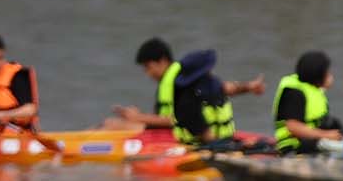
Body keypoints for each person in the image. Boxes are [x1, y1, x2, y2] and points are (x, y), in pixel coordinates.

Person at [107, 39, 264, 143]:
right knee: (122, 123)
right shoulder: (197, 77)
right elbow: (225, 88)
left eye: (148, 67)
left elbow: (173, 120)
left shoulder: (176, 81)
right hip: (216, 137)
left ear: (162, 61)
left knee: (112, 125)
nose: (147, 73)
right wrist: (250, 86)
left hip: (184, 139)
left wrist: (137, 117)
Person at [272, 50, 343, 155]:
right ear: (319, 76)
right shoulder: (294, 93)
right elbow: (293, 126)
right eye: (327, 72)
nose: (330, 75)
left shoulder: (312, 89)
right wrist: (326, 135)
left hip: (311, 143)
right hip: (293, 147)